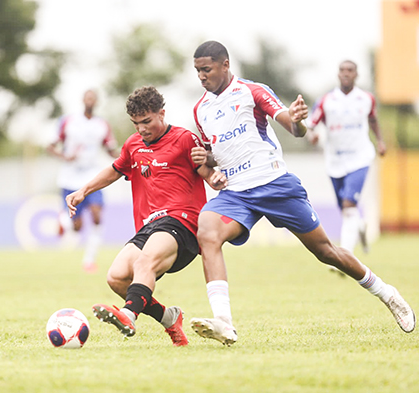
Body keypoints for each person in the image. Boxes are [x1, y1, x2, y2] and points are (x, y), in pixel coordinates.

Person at [188, 40, 415, 346]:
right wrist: (208, 162)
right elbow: (215, 152)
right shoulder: (201, 109)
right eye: (197, 71)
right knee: (208, 234)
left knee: (326, 252)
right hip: (237, 192)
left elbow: (294, 129)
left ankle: (387, 294)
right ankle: (225, 323)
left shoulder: (252, 91)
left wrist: (298, 122)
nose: (201, 76)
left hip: (274, 184)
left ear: (225, 65)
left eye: (206, 69)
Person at [65, 86, 225, 346]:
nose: (141, 128)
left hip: (182, 222)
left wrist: (216, 179)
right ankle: (169, 318)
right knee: (116, 277)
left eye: (147, 121)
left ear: (162, 113)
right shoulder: (133, 144)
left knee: (143, 263)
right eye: (136, 123)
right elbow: (115, 169)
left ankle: (128, 314)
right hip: (149, 225)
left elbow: (207, 171)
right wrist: (83, 190)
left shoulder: (185, 139)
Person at [307, 60, 386, 255]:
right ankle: (359, 226)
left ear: (356, 75)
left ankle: (345, 253)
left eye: (350, 70)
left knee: (349, 204)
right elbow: (311, 125)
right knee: (345, 208)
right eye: (342, 70)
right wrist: (312, 136)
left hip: (360, 158)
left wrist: (381, 141)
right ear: (338, 74)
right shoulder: (326, 100)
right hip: (335, 161)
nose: (345, 74)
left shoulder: (366, 98)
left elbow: (373, 120)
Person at [47, 89, 119, 273]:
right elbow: (51, 146)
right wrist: (65, 157)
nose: (90, 101)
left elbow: (110, 149)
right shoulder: (68, 121)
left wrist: (127, 155)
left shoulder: (102, 124)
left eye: (93, 98)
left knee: (96, 216)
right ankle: (64, 221)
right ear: (83, 100)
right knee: (77, 226)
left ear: (97, 102)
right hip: (70, 178)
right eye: (88, 97)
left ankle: (89, 260)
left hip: (93, 177)